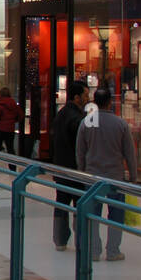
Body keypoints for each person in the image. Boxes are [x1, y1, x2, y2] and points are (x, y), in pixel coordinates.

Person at [75, 87, 137, 262]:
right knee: (116, 215)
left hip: (92, 177)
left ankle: (94, 250)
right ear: (111, 102)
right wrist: (133, 176)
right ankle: (113, 250)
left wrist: (81, 170)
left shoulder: (86, 122)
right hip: (115, 178)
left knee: (92, 215)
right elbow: (129, 153)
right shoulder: (120, 124)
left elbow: (80, 151)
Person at [51, 81, 89, 251]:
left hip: (61, 166)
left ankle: (60, 239)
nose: (87, 98)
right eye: (86, 95)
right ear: (77, 97)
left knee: (61, 201)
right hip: (75, 169)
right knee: (80, 204)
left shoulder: (61, 114)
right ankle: (81, 240)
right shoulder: (77, 118)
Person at [0, 87, 23, 154]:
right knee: (10, 148)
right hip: (10, 129)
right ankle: (12, 164)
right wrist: (13, 121)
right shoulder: (13, 104)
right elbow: (20, 115)